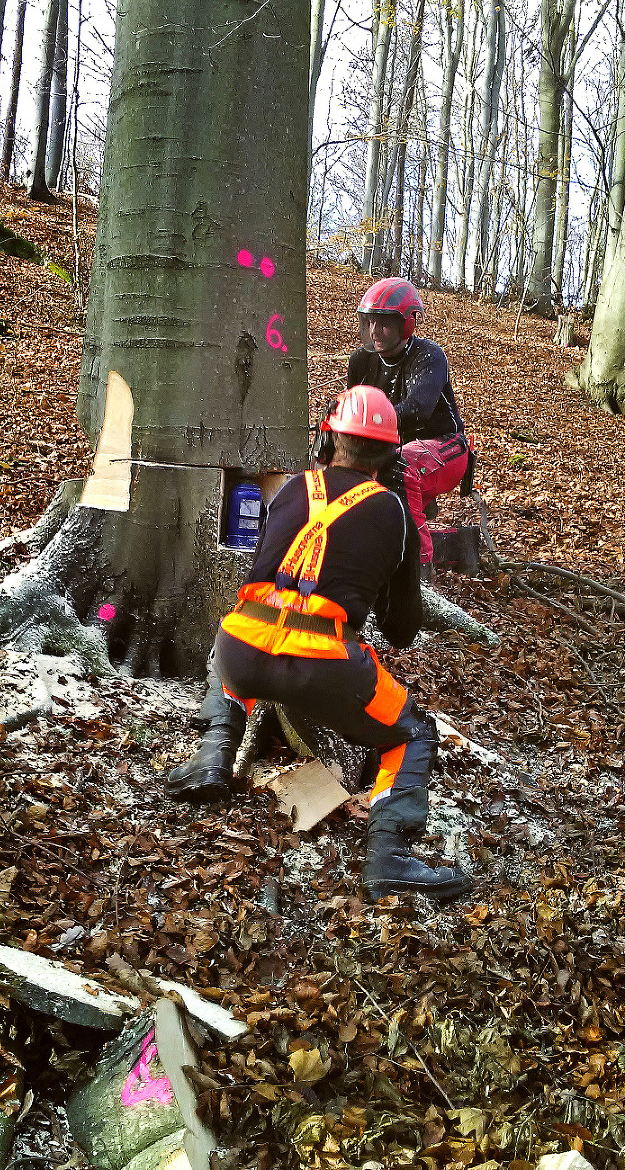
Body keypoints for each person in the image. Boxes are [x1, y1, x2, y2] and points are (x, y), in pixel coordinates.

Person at [165, 385, 470, 905]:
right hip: (325, 666)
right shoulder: (394, 513)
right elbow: (402, 630)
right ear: (391, 454)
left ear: (329, 437)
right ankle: (388, 855)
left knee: (241, 634)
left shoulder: (289, 490)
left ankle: (215, 755)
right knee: (413, 733)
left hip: (240, 648)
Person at [347, 277, 474, 574]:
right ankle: (449, 545)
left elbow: (417, 411)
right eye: (370, 323)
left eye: (385, 324)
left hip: (447, 448)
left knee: (397, 468)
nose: (375, 332)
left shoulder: (428, 356)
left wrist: (367, 423)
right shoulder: (361, 362)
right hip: (392, 448)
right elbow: (352, 410)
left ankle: (419, 571)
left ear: (407, 325)